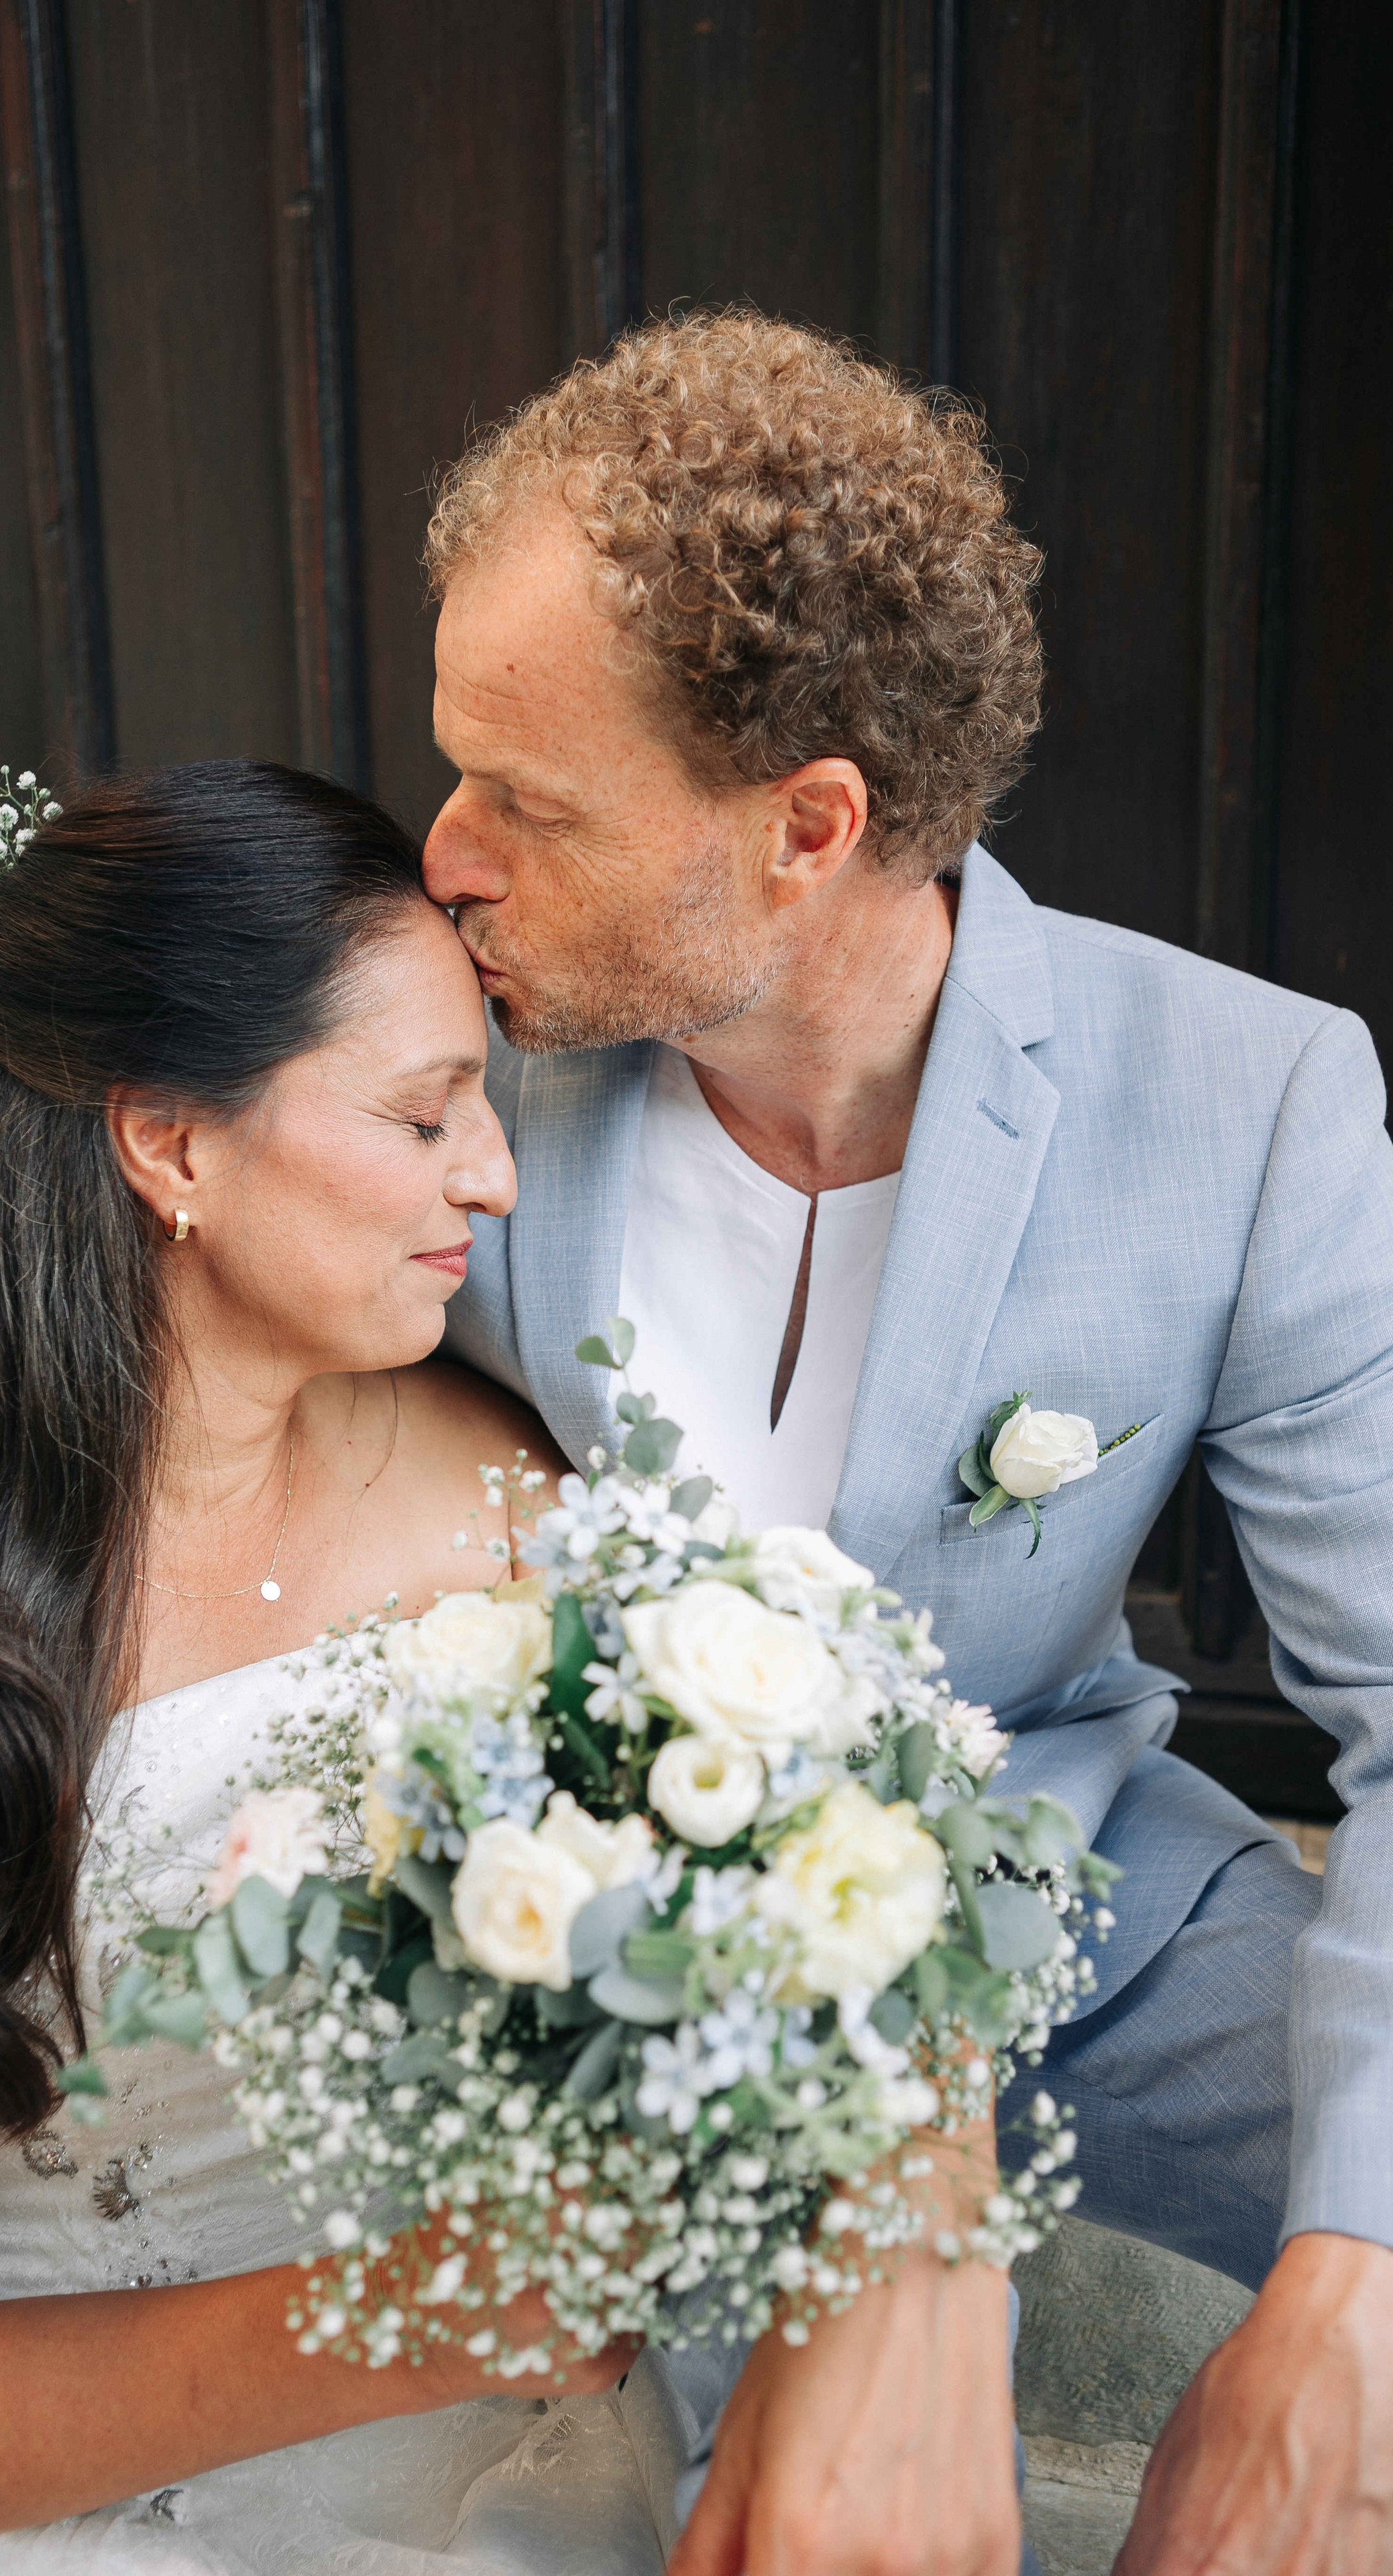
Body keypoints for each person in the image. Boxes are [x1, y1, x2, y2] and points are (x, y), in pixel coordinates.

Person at [412, 315, 1393, 2576]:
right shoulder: (432, 1046)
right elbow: (78, 1346)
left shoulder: (1245, 1100)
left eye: (525, 801)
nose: (444, 849)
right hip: (625, 1953)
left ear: (809, 827)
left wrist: (1344, 2286)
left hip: (1085, 1910)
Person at [0, 761, 679, 2571]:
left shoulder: (510, 1487)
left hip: (517, 2470)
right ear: (172, 1144)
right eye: (426, 1113)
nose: (504, 1178)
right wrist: (418, 2317)